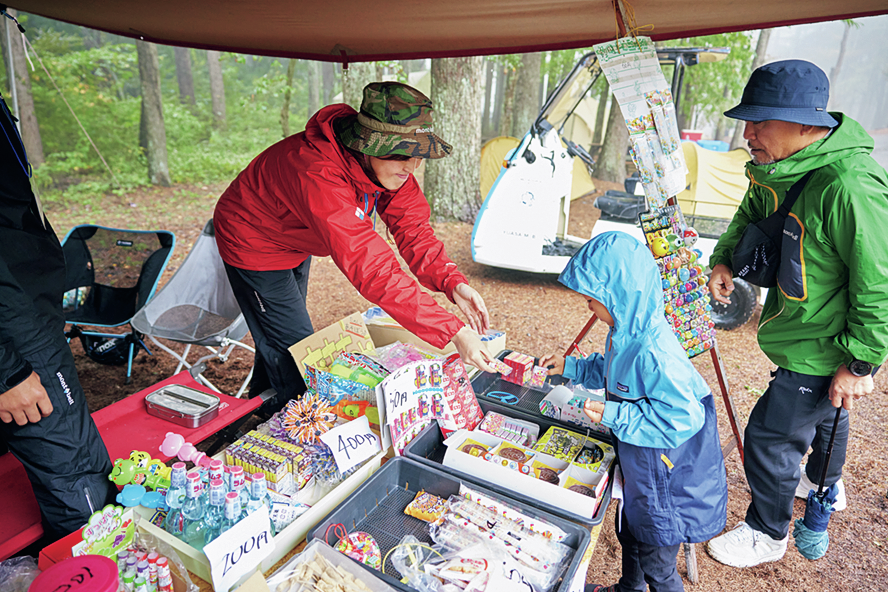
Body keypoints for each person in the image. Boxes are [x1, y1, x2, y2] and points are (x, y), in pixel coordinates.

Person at [705, 60, 888, 568]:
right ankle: (824, 481)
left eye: (761, 121)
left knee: (769, 433)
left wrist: (860, 364)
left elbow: (880, 282)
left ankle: (767, 532)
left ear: (809, 125)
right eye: (749, 120)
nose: (749, 133)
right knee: (829, 414)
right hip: (799, 322)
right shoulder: (776, 167)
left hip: (824, 338)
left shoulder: (849, 186)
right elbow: (749, 213)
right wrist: (725, 256)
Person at [214, 81, 494, 410]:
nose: (411, 166)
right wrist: (455, 331)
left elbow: (413, 226)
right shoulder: (316, 171)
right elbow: (372, 268)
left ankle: (263, 409)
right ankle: (294, 429)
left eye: (416, 155)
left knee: (280, 334)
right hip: (253, 237)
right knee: (298, 348)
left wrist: (451, 281)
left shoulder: (386, 167)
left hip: (295, 234)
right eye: (402, 154)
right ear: (367, 145)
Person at [539, 232, 727, 592]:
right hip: (643, 466)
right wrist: (571, 367)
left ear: (618, 296)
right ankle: (629, 588)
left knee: (658, 560)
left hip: (667, 477)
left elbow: (682, 417)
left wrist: (614, 416)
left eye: (592, 299)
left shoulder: (654, 351)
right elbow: (612, 370)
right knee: (630, 531)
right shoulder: (623, 330)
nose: (588, 307)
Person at [0, 91, 117, 540]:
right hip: (13, 319)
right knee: (75, 468)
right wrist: (7, 373)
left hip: (25, 288)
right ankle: (100, 566)